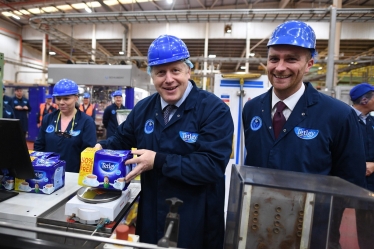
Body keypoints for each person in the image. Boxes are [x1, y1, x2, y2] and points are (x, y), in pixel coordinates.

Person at [95, 34, 234, 249]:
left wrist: (158, 160)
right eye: (161, 72)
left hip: (196, 219)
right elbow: (122, 138)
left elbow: (211, 166)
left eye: (175, 70)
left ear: (188, 70)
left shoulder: (214, 110)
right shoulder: (144, 108)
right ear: (152, 76)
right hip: (152, 215)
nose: (168, 79)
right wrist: (101, 147)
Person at [242, 20, 366, 248]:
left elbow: (351, 185)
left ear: (309, 63)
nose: (280, 67)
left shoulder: (338, 115)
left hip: (313, 235)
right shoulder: (252, 109)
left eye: (291, 59)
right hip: (259, 232)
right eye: (274, 59)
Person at [34, 79, 97, 173]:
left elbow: (88, 153)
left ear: (76, 98)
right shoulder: (48, 119)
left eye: (66, 99)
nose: (61, 102)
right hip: (48, 175)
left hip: (73, 175)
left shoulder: (86, 122)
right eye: (58, 99)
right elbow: (39, 146)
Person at [349, 83, 374, 249]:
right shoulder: (345, 119)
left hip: (371, 180)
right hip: (349, 180)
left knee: (369, 221)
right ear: (365, 100)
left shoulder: (372, 121)